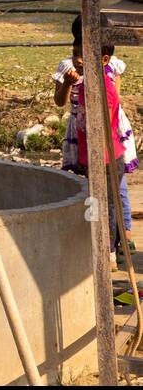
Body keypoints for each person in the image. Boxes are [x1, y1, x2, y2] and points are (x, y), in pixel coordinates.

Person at [55, 15, 137, 265]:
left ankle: (111, 247)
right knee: (95, 197)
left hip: (105, 150)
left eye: (84, 54)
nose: (78, 59)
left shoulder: (104, 84)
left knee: (110, 199)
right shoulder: (77, 75)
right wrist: (69, 85)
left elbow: (110, 110)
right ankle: (99, 242)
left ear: (103, 59)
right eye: (75, 53)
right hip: (88, 148)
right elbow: (61, 100)